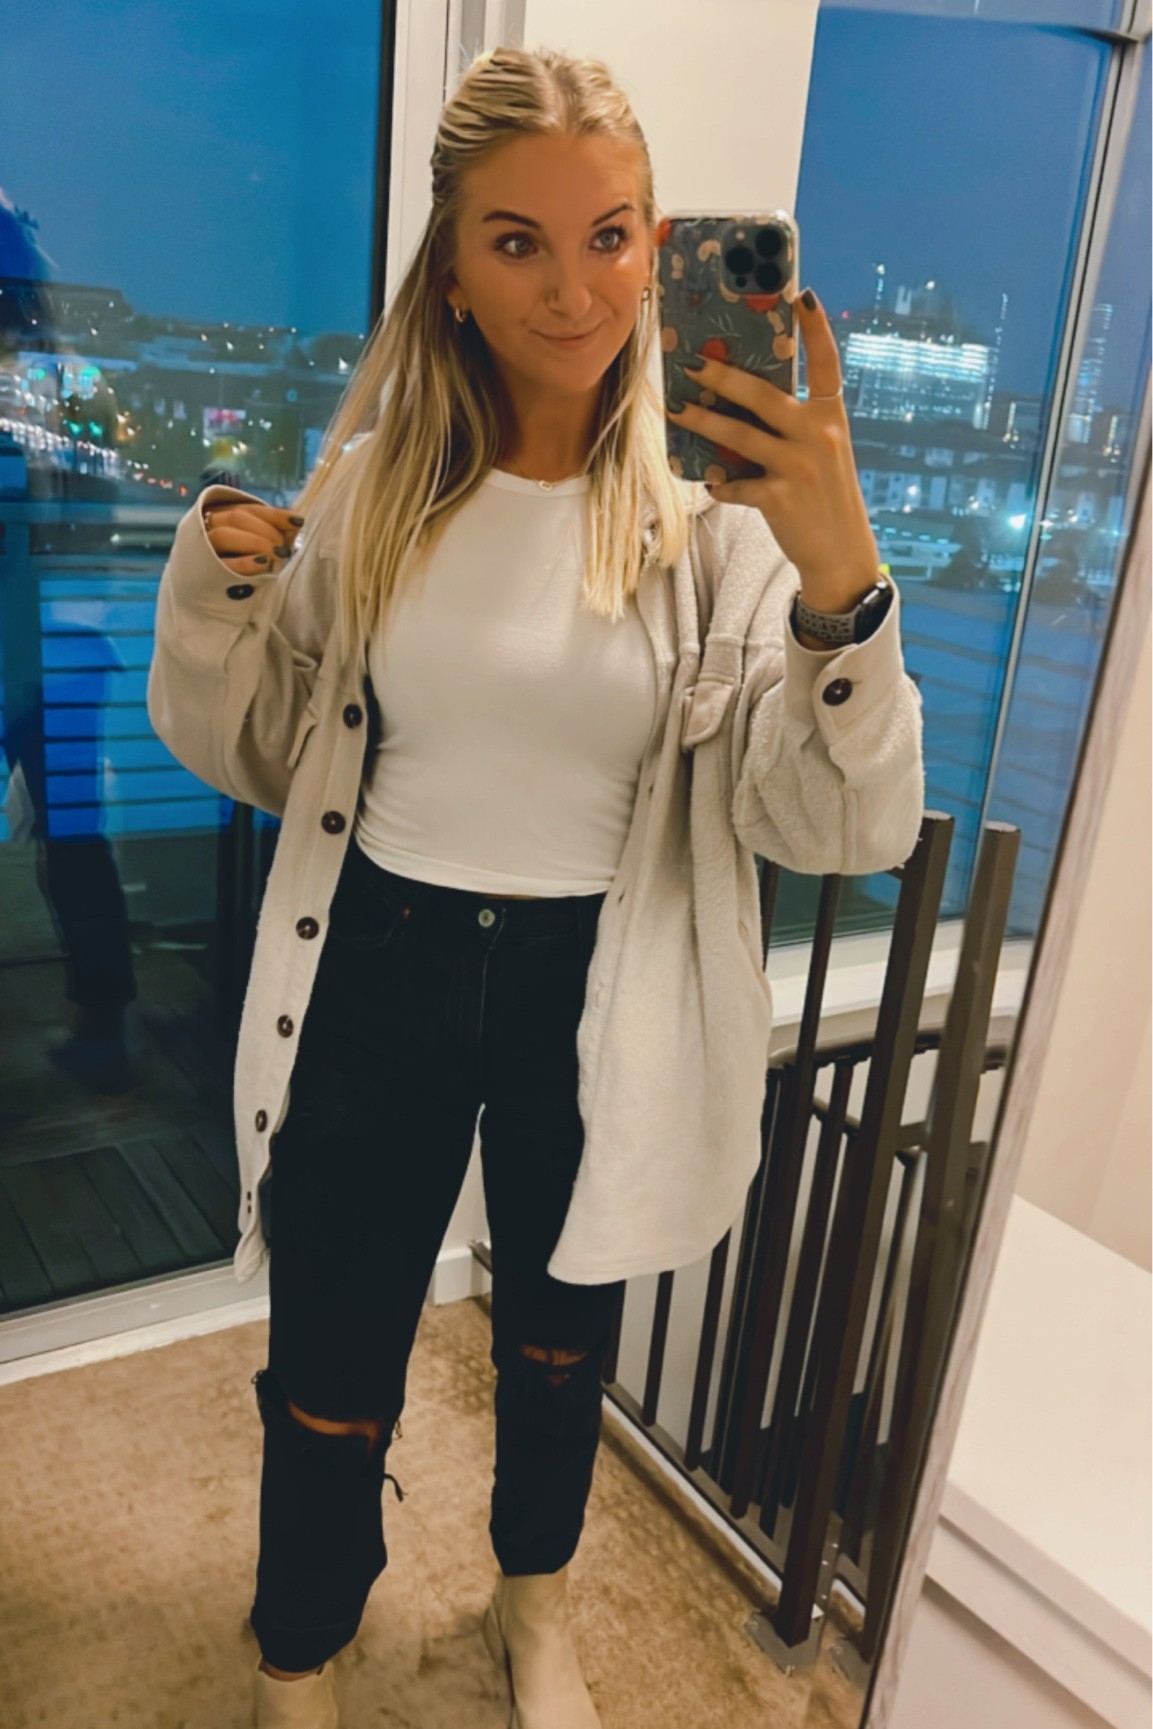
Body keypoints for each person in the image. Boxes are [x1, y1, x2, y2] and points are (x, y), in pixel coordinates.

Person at [146, 44, 924, 1729]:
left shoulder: (717, 528)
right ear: (451, 263)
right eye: (517, 241)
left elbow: (838, 825)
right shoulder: (374, 487)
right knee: (332, 1351)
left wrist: (839, 579)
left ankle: (534, 1605)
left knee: (560, 1347)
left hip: (600, 978)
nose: (572, 290)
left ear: (657, 246)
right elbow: (262, 749)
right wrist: (219, 586)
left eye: (610, 235)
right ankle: (298, 1651)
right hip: (379, 960)